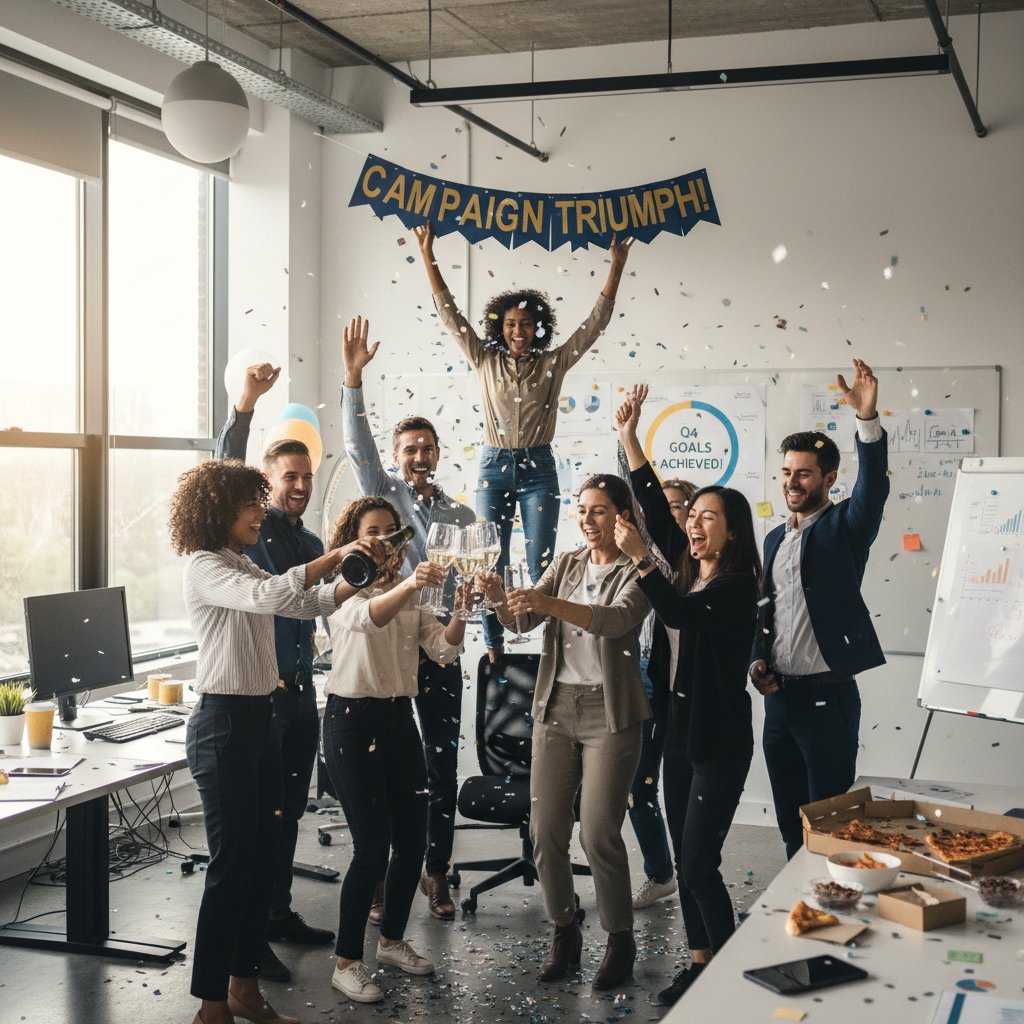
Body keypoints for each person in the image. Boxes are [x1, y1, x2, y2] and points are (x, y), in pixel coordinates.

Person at [169, 458, 380, 1024]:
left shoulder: (238, 561)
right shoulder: (204, 567)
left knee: (262, 864)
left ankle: (244, 988)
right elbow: (268, 599)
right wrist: (334, 556)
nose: (260, 511)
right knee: (232, 867)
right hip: (224, 726)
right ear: (220, 510)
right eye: (250, 503)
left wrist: (355, 579)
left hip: (258, 722)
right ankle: (212, 1004)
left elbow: (299, 602)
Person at [415, 221, 633, 661]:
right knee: (486, 561)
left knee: (541, 564)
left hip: (539, 467)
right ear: (501, 327)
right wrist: (427, 254)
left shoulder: (554, 362)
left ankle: (553, 646)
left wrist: (616, 267)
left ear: (538, 329)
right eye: (511, 324)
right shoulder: (484, 359)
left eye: (526, 324)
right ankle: (494, 645)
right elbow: (448, 314)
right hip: (493, 465)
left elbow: (594, 326)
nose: (518, 331)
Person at [615, 390, 762, 1005]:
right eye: (691, 516)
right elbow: (652, 501)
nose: (693, 524)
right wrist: (631, 440)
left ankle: (720, 970)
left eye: (706, 518)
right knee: (685, 852)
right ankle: (700, 960)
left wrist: (639, 561)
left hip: (719, 742)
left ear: (731, 533)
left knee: (699, 862)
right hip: (678, 732)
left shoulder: (733, 586)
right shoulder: (685, 563)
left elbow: (677, 612)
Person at [478, 474, 650, 991]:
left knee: (598, 832)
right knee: (545, 833)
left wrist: (545, 603)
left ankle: (620, 938)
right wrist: (497, 599)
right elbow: (521, 624)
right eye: (582, 509)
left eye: (600, 511)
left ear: (624, 517)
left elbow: (614, 622)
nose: (587, 519)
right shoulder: (569, 563)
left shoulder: (641, 569)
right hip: (555, 709)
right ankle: (564, 930)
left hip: (610, 714)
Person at [340, 315, 477, 922]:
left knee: (439, 763)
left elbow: (475, 578)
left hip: (437, 642)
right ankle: (375, 875)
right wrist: (352, 380)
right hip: (384, 642)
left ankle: (435, 872)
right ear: (395, 459)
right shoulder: (384, 493)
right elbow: (357, 447)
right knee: (380, 762)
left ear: (439, 454)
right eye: (409, 449)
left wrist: (481, 624)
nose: (419, 455)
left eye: (428, 447)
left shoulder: (461, 513)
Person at [322, 496, 467, 1003]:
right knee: (370, 847)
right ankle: (345, 962)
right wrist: (410, 583)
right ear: (356, 539)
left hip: (399, 720)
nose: (384, 539)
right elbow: (370, 620)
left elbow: (443, 649)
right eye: (373, 531)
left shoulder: (413, 595)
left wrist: (463, 610)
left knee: (411, 839)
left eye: (391, 530)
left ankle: (391, 941)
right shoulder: (339, 589)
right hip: (351, 720)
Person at [216, 362, 334, 982]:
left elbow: (332, 596)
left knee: (287, 815)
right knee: (260, 825)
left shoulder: (307, 543)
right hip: (263, 696)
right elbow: (223, 467)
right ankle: (250, 937)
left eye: (306, 477)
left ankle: (278, 912)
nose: (300, 486)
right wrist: (246, 404)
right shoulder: (250, 537)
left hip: (299, 696)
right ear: (264, 482)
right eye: (290, 477)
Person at [749, 358, 889, 859]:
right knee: (789, 824)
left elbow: (874, 487)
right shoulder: (771, 539)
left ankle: (831, 913)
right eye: (786, 472)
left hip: (829, 704)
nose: (792, 482)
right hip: (779, 702)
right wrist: (755, 659)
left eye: (803, 474)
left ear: (828, 478)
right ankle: (799, 912)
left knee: (828, 829)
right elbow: (763, 610)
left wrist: (866, 421)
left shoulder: (846, 527)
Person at [617, 432, 695, 911]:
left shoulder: (693, 559)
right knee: (637, 786)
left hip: (676, 685)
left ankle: (690, 874)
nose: (665, 513)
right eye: (660, 506)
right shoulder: (633, 553)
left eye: (676, 506)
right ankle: (661, 873)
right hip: (638, 675)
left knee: (675, 786)